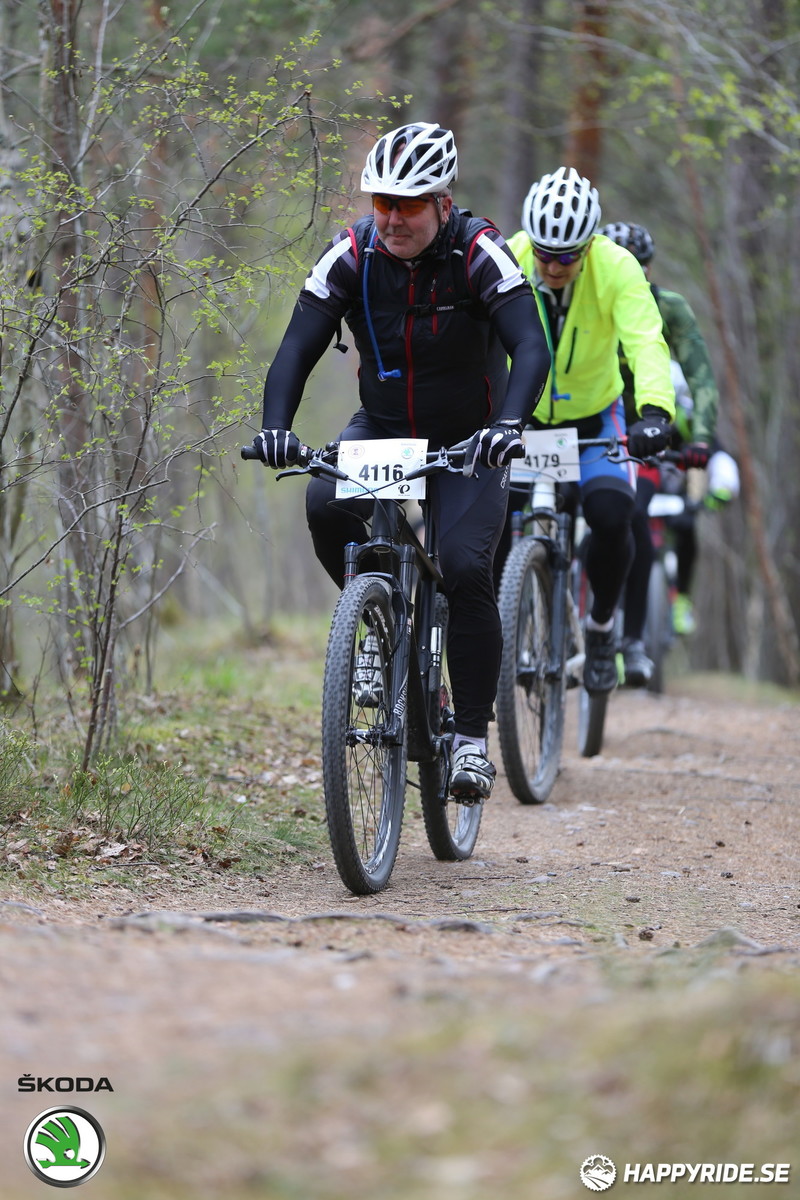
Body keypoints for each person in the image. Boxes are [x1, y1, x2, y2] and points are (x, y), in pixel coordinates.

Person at [251, 122, 552, 801]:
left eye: (408, 204)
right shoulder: (351, 253)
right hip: (385, 426)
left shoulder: (481, 253)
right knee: (326, 505)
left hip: (471, 436)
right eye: (381, 202)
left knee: (468, 567)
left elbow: (530, 346)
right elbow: (297, 346)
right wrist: (276, 428)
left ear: (443, 202)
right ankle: (375, 628)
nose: (391, 218)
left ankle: (471, 740)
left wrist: (509, 425)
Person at [504, 168, 675, 695]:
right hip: (523, 417)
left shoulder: (617, 268)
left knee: (612, 513)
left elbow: (646, 342)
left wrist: (655, 414)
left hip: (595, 416)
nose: (553, 266)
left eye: (566, 256)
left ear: (589, 244)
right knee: (484, 526)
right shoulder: (508, 256)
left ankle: (602, 631)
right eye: (544, 253)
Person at [600, 221, 737, 669]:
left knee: (634, 517)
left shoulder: (669, 308)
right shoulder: (586, 296)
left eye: (638, 266)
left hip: (645, 427)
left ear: (650, 267)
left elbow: (700, 376)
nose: (629, 273)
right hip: (585, 418)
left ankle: (630, 639)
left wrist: (700, 440)